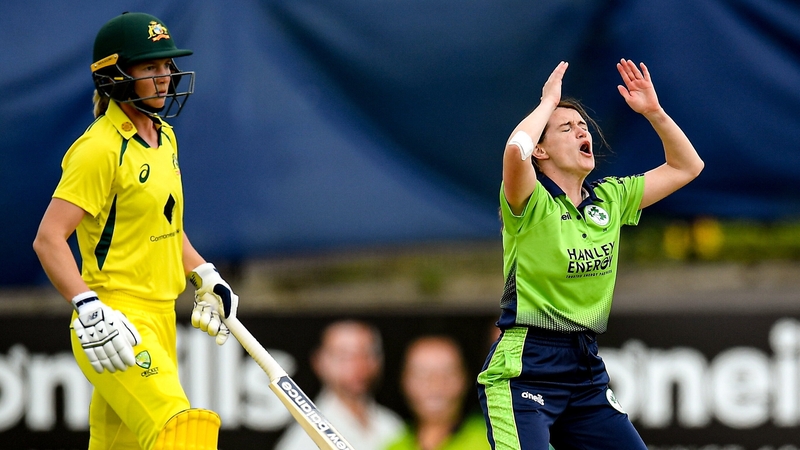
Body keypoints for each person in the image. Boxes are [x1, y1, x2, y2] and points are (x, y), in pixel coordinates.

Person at [32, 12, 239, 450]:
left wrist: (204, 274)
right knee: (182, 432)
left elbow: (165, 227)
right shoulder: (99, 150)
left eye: (166, 66)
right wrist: (88, 307)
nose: (164, 77)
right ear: (115, 75)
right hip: (114, 323)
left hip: (162, 317)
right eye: (150, 67)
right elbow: (49, 239)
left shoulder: (164, 137)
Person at [477, 59, 704, 450]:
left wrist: (654, 112)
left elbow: (687, 166)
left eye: (583, 126)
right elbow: (516, 150)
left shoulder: (610, 198)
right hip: (524, 369)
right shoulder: (531, 203)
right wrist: (548, 103)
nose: (582, 130)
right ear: (542, 151)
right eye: (567, 128)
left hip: (585, 371)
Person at [276, 320, 403, 450]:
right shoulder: (307, 436)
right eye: (345, 356)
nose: (358, 364)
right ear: (319, 362)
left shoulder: (392, 425)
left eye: (367, 353)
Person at [385, 335, 491, 450]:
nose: (435, 385)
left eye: (448, 373)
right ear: (404, 381)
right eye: (422, 374)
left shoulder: (494, 439)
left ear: (465, 379)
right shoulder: (392, 443)